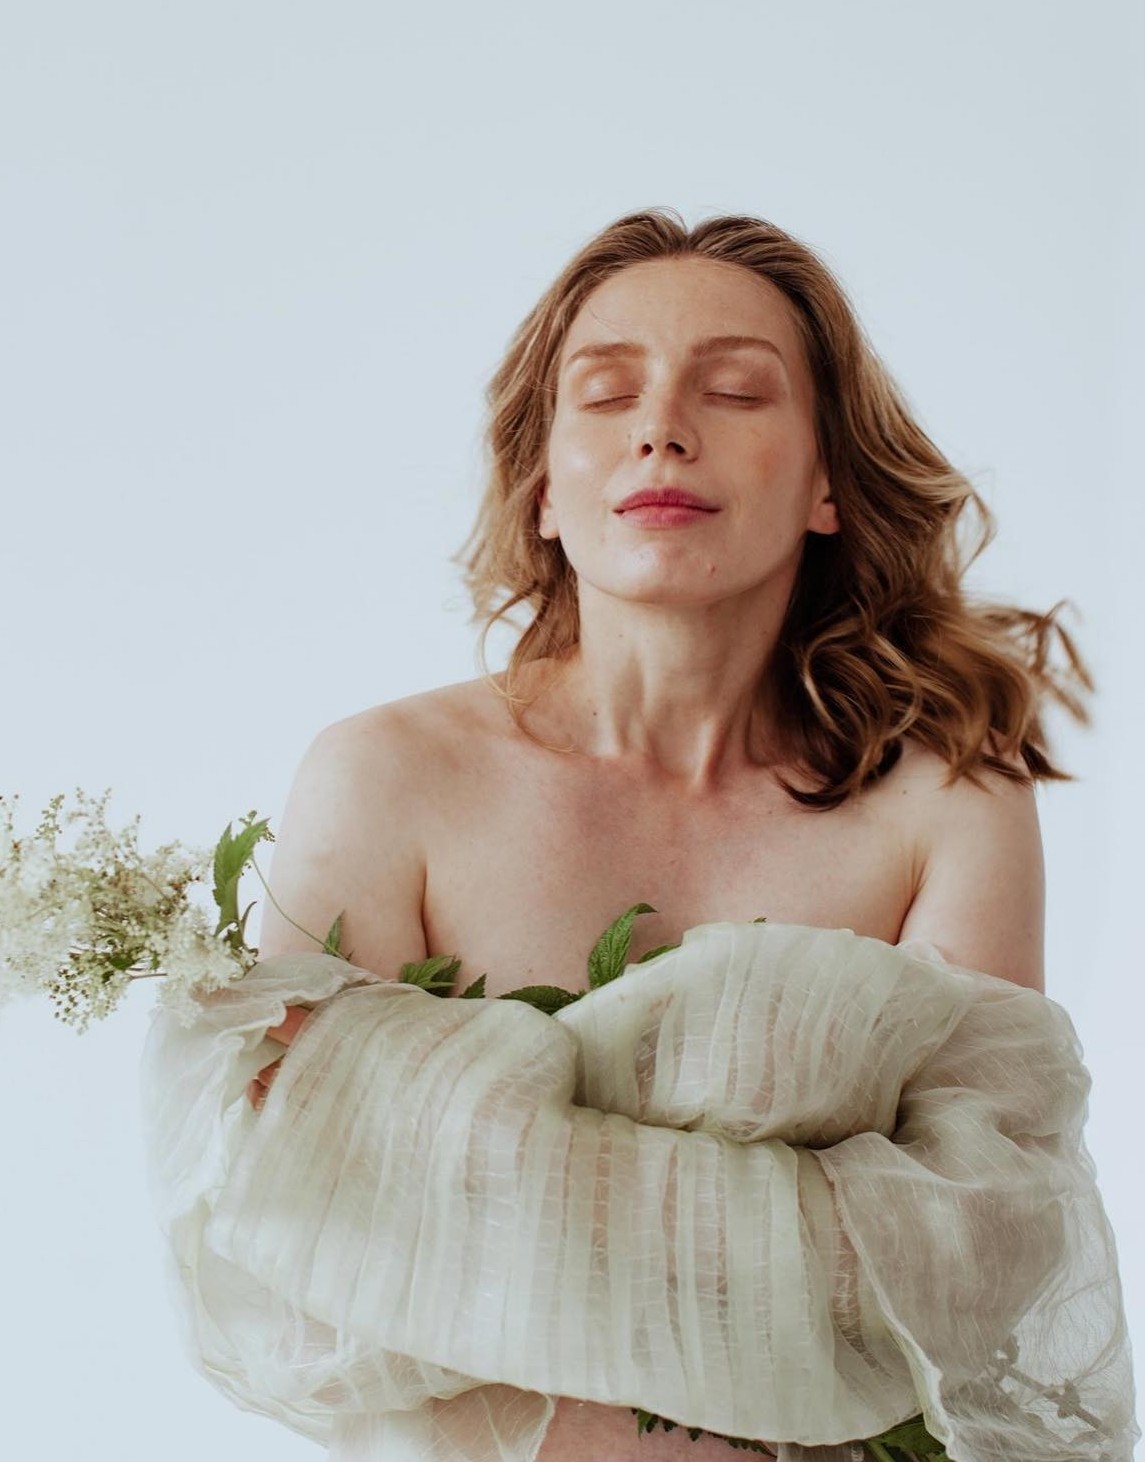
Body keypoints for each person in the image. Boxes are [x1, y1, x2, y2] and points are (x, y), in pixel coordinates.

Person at [238, 208, 1112, 1461]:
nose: (660, 427)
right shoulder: (387, 780)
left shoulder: (945, 800)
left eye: (736, 390)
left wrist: (498, 1164)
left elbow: (978, 1253)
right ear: (544, 490)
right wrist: (798, 1226)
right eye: (606, 394)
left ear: (825, 482)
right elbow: (305, 1230)